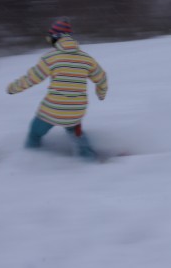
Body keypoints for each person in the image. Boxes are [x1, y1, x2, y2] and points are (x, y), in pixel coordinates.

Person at [6, 18, 108, 161]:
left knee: (35, 132)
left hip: (51, 111)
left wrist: (13, 88)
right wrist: (101, 93)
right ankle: (88, 158)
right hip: (76, 111)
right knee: (75, 131)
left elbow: (31, 78)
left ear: (55, 38)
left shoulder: (51, 57)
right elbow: (102, 78)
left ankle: (29, 159)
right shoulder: (87, 59)